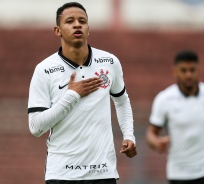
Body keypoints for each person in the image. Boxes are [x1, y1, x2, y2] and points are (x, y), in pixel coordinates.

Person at [27, 2, 137, 184]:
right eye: (70, 21)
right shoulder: (44, 70)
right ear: (58, 30)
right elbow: (36, 127)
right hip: (62, 173)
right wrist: (72, 95)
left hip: (103, 171)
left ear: (88, 29)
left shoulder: (109, 62)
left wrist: (129, 135)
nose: (77, 24)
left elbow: (122, 100)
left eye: (82, 21)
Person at [146, 50, 204, 184]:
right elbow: (151, 132)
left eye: (192, 70)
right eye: (183, 70)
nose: (188, 75)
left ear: (198, 70)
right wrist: (155, 143)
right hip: (179, 172)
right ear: (175, 71)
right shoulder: (164, 99)